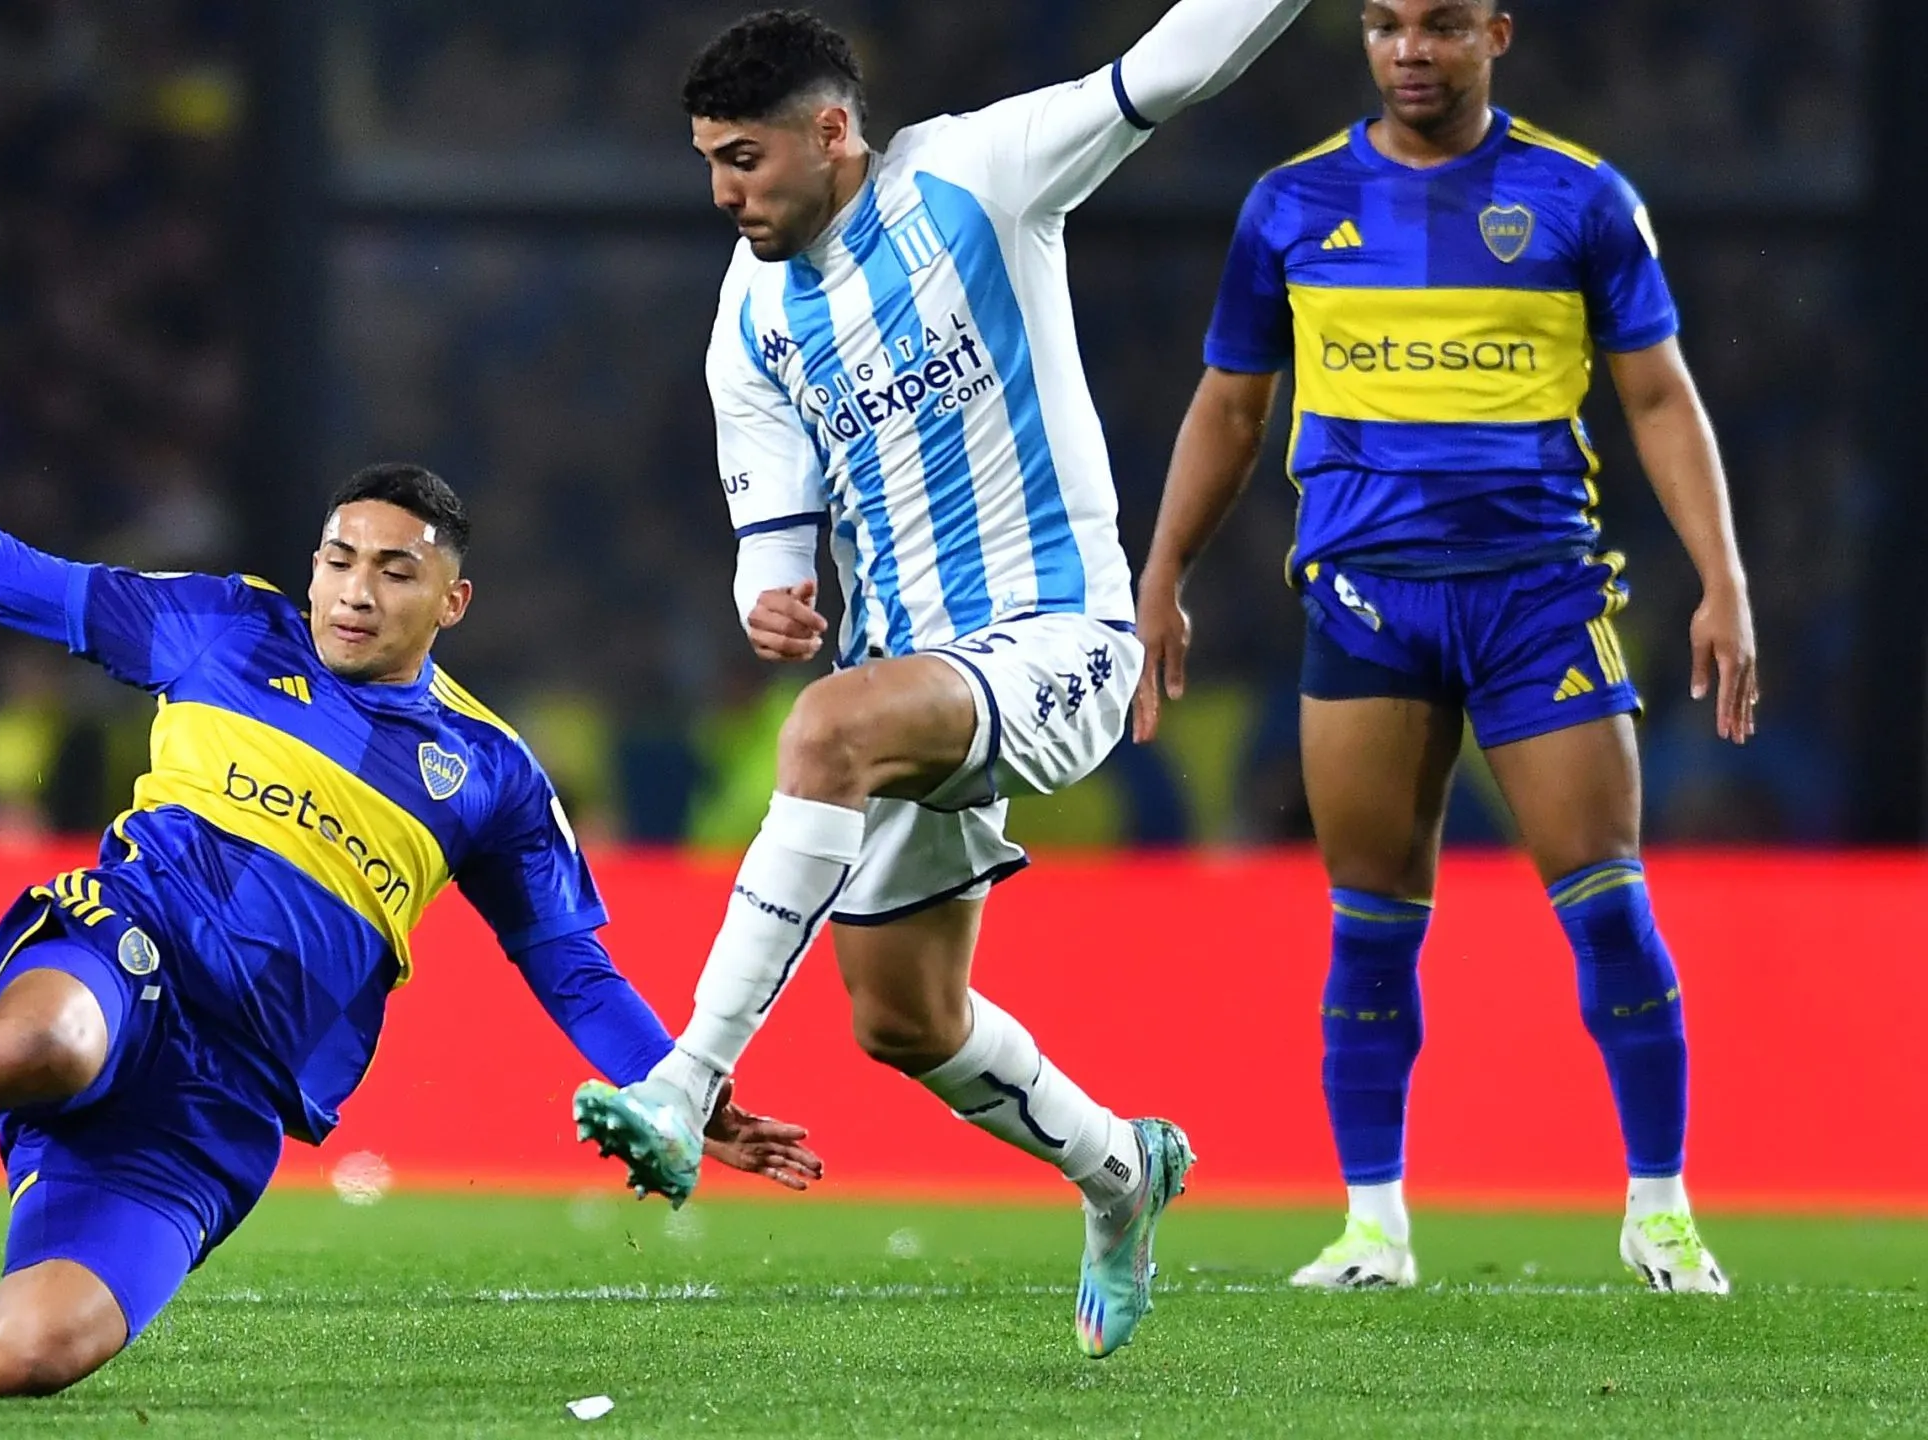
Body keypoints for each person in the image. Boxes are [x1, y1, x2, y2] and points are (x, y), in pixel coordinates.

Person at [0, 392, 824, 1398]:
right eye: (336, 559)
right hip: (130, 949)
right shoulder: (224, 629)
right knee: (40, 1042)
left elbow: (572, 967)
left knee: (36, 1352)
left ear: (453, 599)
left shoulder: (490, 775)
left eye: (391, 570)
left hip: (233, 1093)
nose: (352, 590)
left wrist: (683, 1088)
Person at [572, 1, 1309, 1359]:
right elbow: (771, 535)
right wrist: (769, 601)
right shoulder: (751, 316)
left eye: (744, 158)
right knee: (905, 1021)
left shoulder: (984, 172)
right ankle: (1122, 1173)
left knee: (829, 727)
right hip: (911, 681)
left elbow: (1174, 68)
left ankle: (686, 1079)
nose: (724, 191)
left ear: (834, 132)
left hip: (1061, 640)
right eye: (708, 161)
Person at [1130, 0, 1755, 1294]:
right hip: (1366, 604)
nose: (1411, 50)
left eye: (1442, 27)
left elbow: (1656, 393)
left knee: (1611, 909)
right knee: (1369, 927)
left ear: (1497, 37)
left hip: (1539, 596)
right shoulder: (1290, 206)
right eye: (1386, 26)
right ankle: (1372, 1225)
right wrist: (1163, 573)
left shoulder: (1580, 198)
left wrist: (1723, 578)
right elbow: (1232, 407)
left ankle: (1660, 1207)